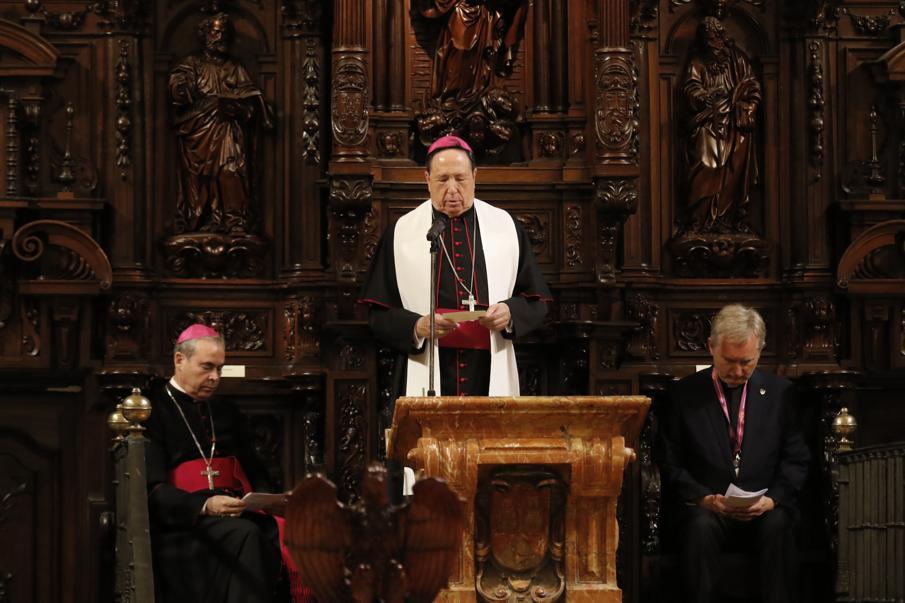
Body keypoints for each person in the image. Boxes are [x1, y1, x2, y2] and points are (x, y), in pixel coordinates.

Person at [360, 134, 551, 400]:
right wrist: (416, 327)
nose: (452, 189)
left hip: (487, 371)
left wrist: (510, 313)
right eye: (442, 179)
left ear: (475, 176)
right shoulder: (402, 232)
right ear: (427, 180)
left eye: (460, 179)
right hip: (430, 367)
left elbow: (537, 301)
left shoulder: (505, 227)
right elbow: (377, 316)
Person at [145, 324, 311, 603]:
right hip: (183, 522)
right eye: (207, 367)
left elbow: (255, 470)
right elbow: (150, 489)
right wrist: (205, 505)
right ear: (179, 360)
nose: (214, 377)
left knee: (294, 531)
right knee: (246, 535)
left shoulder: (224, 410)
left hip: (234, 511)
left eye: (220, 369)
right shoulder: (152, 409)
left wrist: (271, 501)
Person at [655, 304, 809, 603]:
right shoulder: (684, 395)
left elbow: (796, 458)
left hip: (764, 506)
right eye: (729, 361)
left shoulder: (781, 393)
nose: (738, 371)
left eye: (746, 362)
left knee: (780, 525)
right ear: (711, 348)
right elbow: (668, 461)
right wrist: (703, 498)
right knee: (699, 527)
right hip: (709, 508)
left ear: (760, 352)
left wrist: (772, 499)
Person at [169, 12, 272, 234]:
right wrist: (181, 88)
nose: (220, 37)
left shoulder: (235, 67)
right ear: (205, 35)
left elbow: (251, 102)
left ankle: (235, 220)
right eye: (216, 32)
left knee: (230, 172)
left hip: (228, 131)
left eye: (225, 33)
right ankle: (205, 218)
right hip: (199, 133)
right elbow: (178, 88)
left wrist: (240, 108)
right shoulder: (192, 63)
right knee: (202, 179)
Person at [682, 17, 760, 233]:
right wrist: (705, 96)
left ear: (721, 37)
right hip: (708, 122)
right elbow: (690, 88)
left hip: (735, 126)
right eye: (706, 39)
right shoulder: (697, 62)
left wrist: (748, 107)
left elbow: (752, 85)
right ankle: (699, 219)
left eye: (713, 37)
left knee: (733, 171)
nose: (710, 43)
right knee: (705, 164)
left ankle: (727, 218)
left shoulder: (739, 61)